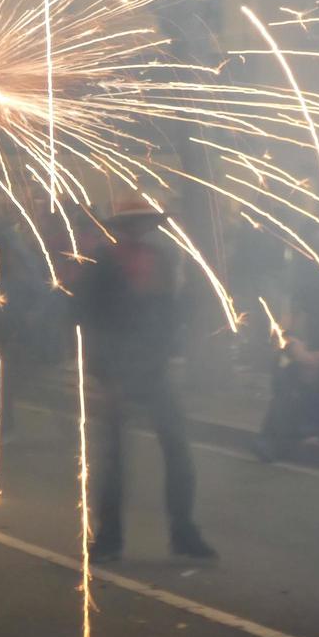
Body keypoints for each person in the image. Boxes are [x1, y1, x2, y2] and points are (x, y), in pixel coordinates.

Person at [78, 195, 216, 563]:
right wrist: (102, 375)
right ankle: (110, 536)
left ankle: (183, 531)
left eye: (145, 222)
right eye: (134, 223)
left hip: (153, 367)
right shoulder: (104, 264)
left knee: (177, 449)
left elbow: (170, 312)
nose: (141, 229)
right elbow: (90, 319)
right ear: (123, 227)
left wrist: (173, 348)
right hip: (117, 369)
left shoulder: (165, 261)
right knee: (115, 459)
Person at [254, 226, 319, 460]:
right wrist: (294, 346)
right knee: (283, 363)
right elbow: (286, 327)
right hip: (311, 349)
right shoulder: (309, 286)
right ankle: (275, 436)